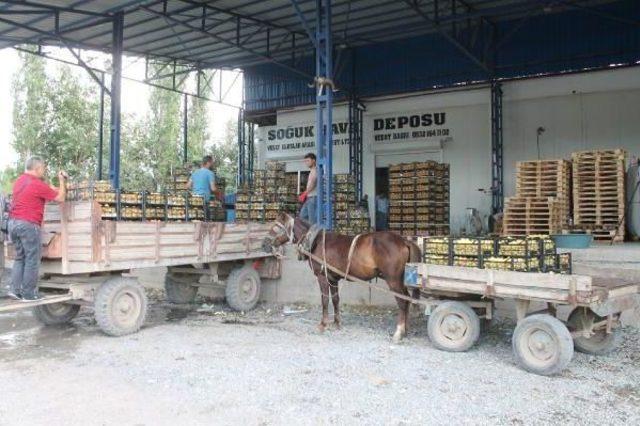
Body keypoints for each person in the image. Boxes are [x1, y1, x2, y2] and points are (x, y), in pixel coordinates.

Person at [8, 156, 66, 301]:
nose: (44, 171)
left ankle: (15, 290)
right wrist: (62, 181)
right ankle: (28, 294)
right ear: (37, 168)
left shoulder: (19, 181)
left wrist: (54, 187)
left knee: (20, 257)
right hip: (28, 224)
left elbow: (48, 190)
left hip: (13, 224)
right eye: (43, 168)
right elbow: (61, 198)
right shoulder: (37, 184)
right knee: (32, 259)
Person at [299, 153, 317, 224]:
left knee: (312, 220)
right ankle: (309, 230)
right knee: (302, 216)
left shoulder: (315, 170)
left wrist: (305, 193)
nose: (306, 163)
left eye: (308, 161)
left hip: (313, 197)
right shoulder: (312, 171)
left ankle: (314, 233)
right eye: (305, 161)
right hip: (310, 197)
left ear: (314, 160)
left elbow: (313, 182)